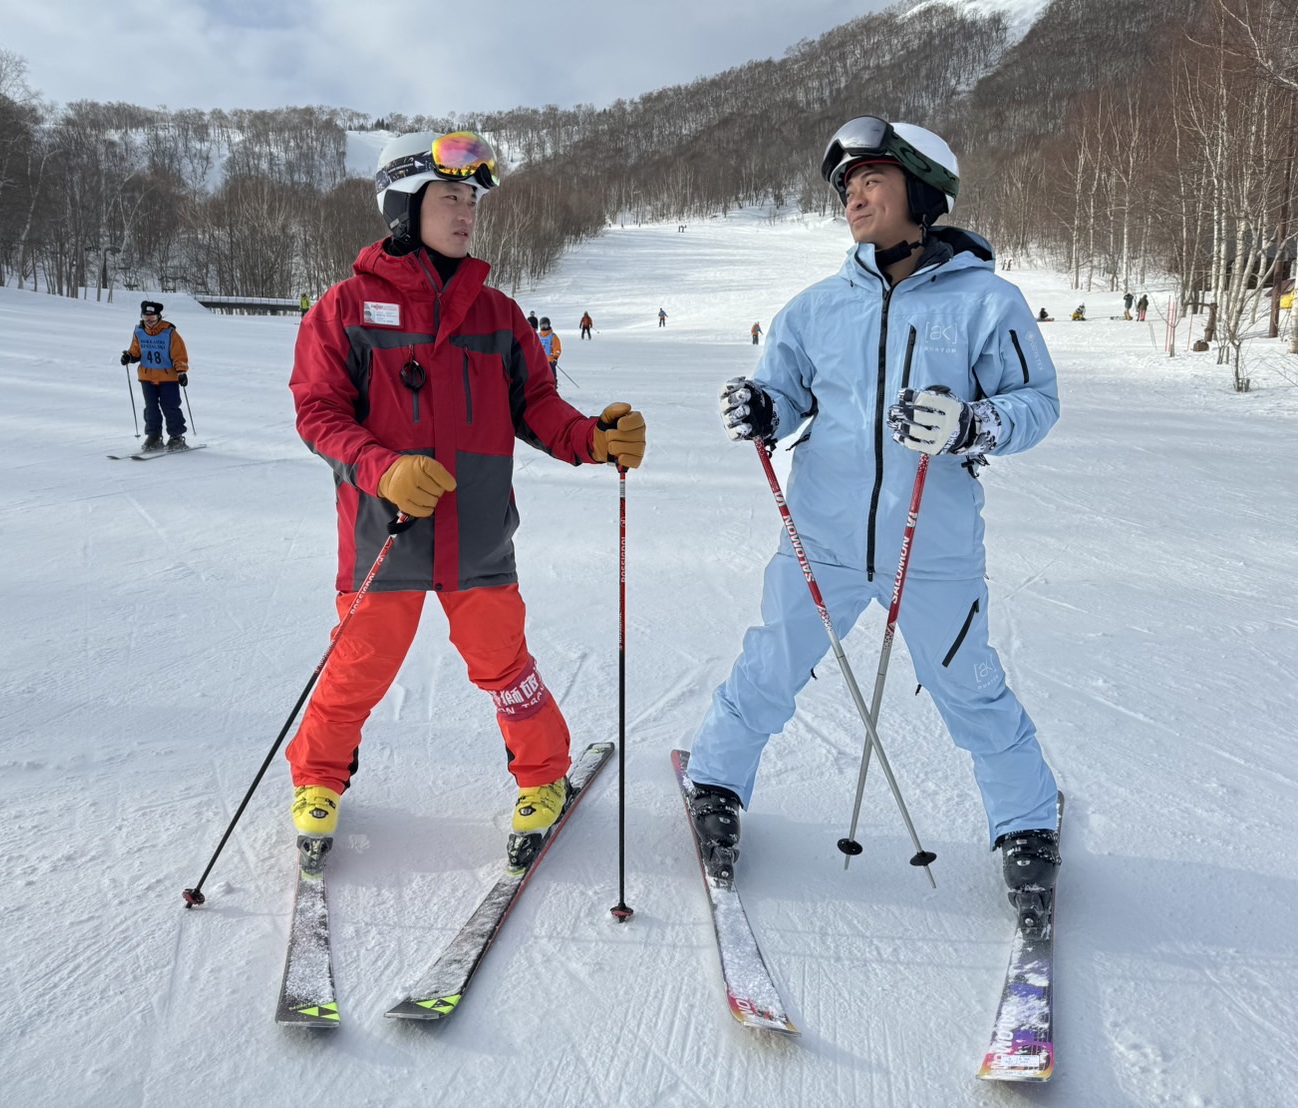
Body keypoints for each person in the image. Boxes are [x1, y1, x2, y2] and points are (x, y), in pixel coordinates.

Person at [689, 116, 1062, 925]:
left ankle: (1028, 825)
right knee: (770, 664)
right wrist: (762, 409)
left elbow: (1036, 404)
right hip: (821, 535)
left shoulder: (986, 303)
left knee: (969, 687)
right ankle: (715, 783)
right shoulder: (816, 308)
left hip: (931, 544)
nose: (854, 197)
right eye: (848, 186)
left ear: (922, 195)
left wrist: (970, 424)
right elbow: (784, 396)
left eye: (873, 181)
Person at [286, 131, 647, 855]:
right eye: (450, 198)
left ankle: (543, 776)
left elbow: (537, 407)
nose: (466, 213)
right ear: (402, 207)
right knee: (356, 669)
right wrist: (381, 465)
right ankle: (317, 781)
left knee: (505, 669)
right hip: (383, 530)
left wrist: (591, 439)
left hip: (477, 533)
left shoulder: (498, 314)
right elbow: (317, 414)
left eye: (470, 200)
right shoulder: (346, 308)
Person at [120, 300, 190, 452]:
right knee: (151, 408)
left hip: (168, 378)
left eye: (152, 318)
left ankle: (176, 437)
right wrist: (129, 357)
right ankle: (154, 436)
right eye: (146, 317)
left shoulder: (169, 332)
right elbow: (136, 351)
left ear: (159, 316)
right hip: (146, 376)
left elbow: (179, 354)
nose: (149, 321)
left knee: (170, 407)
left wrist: (181, 372)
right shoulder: (139, 331)